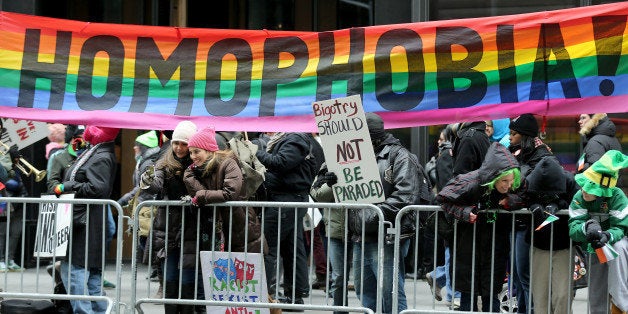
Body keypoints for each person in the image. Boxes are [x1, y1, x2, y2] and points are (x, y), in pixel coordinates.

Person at [348, 112, 431, 314]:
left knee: (390, 293)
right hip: (362, 235)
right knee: (364, 291)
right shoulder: (357, 157)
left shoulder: (400, 156)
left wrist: (374, 214)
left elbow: (406, 194)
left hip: (387, 236)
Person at [437, 142, 521, 312]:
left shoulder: (509, 187)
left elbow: (525, 197)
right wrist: (465, 212)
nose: (508, 185)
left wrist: (512, 201)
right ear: (495, 177)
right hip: (468, 245)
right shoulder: (470, 181)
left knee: (491, 295)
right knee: (469, 296)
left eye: (511, 181)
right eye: (504, 181)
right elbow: (443, 199)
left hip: (494, 247)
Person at [52, 125, 119, 314]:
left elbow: (98, 189)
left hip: (85, 224)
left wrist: (67, 186)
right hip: (85, 222)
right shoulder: (96, 152)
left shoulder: (102, 156)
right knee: (91, 283)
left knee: (76, 277)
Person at [254, 131, 321, 307]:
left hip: (285, 201)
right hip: (288, 201)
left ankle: (265, 295)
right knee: (292, 247)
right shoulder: (293, 139)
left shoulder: (295, 139)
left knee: (268, 247)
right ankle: (294, 295)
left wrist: (254, 151)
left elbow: (281, 163)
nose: (268, 131)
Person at [140, 120, 199, 314]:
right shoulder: (164, 161)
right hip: (169, 227)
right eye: (176, 143)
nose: (179, 148)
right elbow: (156, 183)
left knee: (188, 279)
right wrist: (147, 181)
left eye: (184, 144)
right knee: (170, 276)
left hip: (193, 226)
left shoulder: (200, 162)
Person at [182, 126, 265, 253]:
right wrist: (188, 177)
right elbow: (201, 194)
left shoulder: (228, 163)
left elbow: (229, 193)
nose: (193, 156)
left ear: (209, 150)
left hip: (239, 225)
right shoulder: (195, 171)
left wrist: (202, 195)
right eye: (191, 152)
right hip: (216, 228)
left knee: (243, 269)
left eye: (197, 151)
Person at [568, 150, 628, 314]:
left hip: (617, 245)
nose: (584, 190)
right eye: (583, 185)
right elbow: (574, 226)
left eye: (590, 187)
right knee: (596, 293)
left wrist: (607, 235)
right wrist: (586, 228)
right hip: (594, 247)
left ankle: (622, 305)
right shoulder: (579, 196)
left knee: (620, 247)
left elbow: (621, 228)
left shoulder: (617, 196)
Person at [508, 113, 553, 313]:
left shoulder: (542, 156)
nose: (510, 137)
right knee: (517, 276)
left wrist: (514, 197)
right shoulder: (517, 152)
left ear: (524, 136)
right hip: (517, 221)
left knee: (525, 276)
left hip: (529, 225)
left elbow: (531, 188)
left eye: (513, 133)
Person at [524, 157, 578, 313]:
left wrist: (560, 204)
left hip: (563, 245)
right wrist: (532, 205)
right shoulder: (530, 180)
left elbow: (579, 204)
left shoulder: (569, 181)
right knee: (540, 296)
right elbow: (521, 198)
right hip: (539, 244)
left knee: (562, 295)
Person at [310, 163, 351, 314]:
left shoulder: (369, 157)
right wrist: (330, 184)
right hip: (337, 229)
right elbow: (317, 194)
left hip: (365, 229)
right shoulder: (328, 164)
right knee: (339, 277)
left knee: (363, 281)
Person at [118, 130, 161, 266]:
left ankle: (157, 268)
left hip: (148, 208)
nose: (134, 148)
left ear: (144, 147)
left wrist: (125, 199)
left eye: (137, 145)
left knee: (147, 241)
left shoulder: (148, 163)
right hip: (145, 207)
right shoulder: (145, 161)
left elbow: (143, 186)